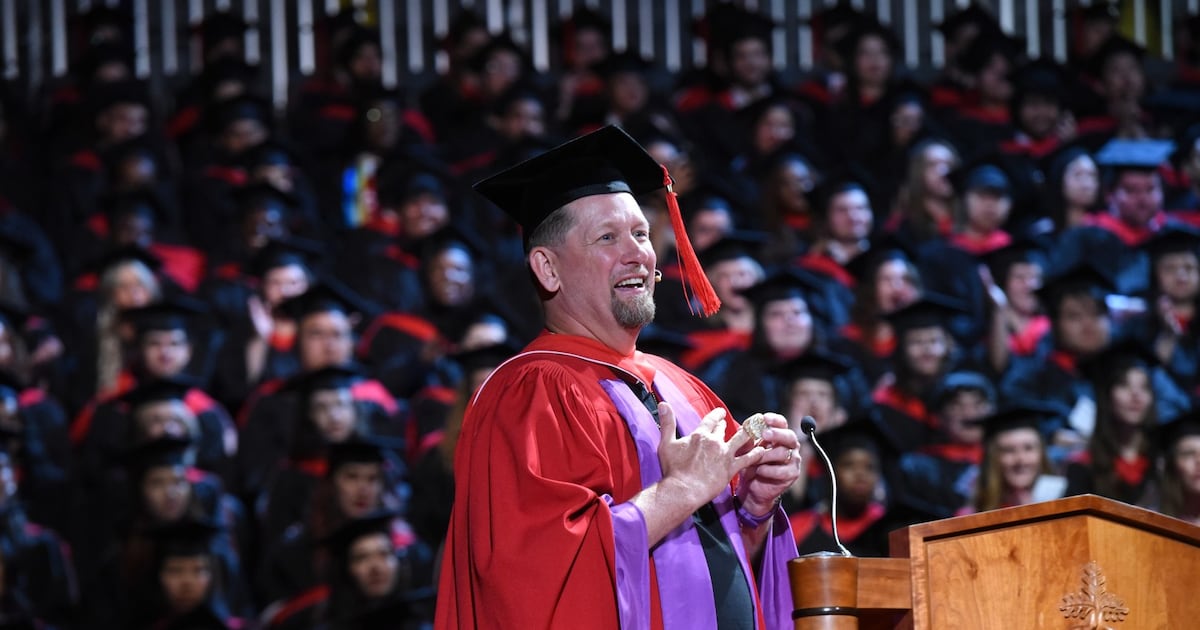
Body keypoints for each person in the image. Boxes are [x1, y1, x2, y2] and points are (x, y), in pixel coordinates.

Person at [437, 125, 802, 629]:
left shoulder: (683, 387)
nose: (638, 253)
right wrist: (682, 490)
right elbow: (537, 578)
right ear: (547, 268)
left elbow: (714, 567)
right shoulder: (530, 392)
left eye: (641, 233)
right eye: (607, 237)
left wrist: (754, 511)